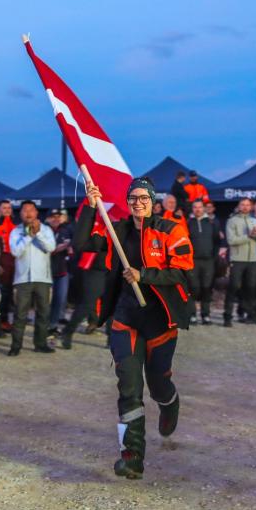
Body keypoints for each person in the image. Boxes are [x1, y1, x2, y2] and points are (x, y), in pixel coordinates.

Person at [75, 177, 193, 480]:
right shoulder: (118, 230)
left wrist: (144, 275)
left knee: (158, 383)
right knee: (128, 386)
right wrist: (90, 207)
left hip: (160, 321)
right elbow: (82, 244)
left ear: (153, 201)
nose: (138, 203)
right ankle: (132, 456)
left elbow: (182, 273)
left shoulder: (171, 230)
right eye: (133, 198)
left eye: (143, 198)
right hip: (125, 318)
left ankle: (169, 404)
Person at [7, 200, 56, 355]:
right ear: (20, 214)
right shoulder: (16, 231)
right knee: (20, 314)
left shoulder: (46, 229)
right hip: (22, 280)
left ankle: (40, 344)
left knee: (43, 313)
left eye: (31, 210)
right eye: (25, 210)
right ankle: (16, 346)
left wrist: (38, 233)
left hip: (43, 279)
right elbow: (15, 252)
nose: (28, 213)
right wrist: (29, 236)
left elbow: (51, 247)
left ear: (36, 212)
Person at [60, 203, 110, 349]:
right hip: (95, 268)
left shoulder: (120, 224)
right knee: (87, 304)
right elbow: (81, 242)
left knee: (112, 305)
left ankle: (111, 338)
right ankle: (68, 332)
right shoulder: (93, 223)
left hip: (113, 269)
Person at [223, 198, 256, 326]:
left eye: (248, 205)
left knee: (251, 288)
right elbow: (231, 240)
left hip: (252, 260)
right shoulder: (232, 221)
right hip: (237, 260)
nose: (245, 207)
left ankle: (250, 314)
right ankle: (227, 316)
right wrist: (249, 236)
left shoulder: (254, 220)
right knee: (233, 287)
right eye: (243, 204)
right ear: (239, 206)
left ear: (251, 207)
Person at [186, 200, 219, 325]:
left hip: (208, 261)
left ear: (204, 208)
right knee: (193, 288)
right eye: (195, 207)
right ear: (192, 209)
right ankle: (192, 315)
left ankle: (206, 315)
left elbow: (217, 241)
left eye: (200, 207)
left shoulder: (211, 222)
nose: (198, 209)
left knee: (206, 288)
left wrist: (213, 257)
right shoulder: (188, 223)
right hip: (192, 261)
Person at [0, 200, 16, 337]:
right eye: (4, 208)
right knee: (2, 292)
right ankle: (1, 321)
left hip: (14, 259)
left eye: (9, 208)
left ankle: (7, 320)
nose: (7, 210)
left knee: (11, 292)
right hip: (2, 258)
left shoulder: (16, 223)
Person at [47, 210, 72, 336]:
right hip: (46, 272)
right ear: (48, 219)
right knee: (47, 301)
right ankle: (45, 325)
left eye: (58, 216)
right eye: (53, 217)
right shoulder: (44, 231)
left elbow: (71, 247)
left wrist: (66, 247)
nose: (56, 219)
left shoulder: (66, 230)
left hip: (62, 271)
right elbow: (49, 249)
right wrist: (62, 247)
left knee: (60, 300)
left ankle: (53, 325)